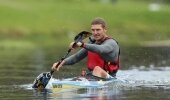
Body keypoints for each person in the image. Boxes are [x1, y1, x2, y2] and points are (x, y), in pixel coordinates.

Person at [51, 17, 120, 79]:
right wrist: (61, 63)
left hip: (109, 78)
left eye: (98, 30)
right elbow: (76, 57)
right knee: (84, 75)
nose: (95, 33)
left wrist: (82, 44)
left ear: (105, 30)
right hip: (93, 77)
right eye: (93, 30)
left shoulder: (111, 43)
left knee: (97, 69)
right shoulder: (92, 42)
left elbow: (100, 49)